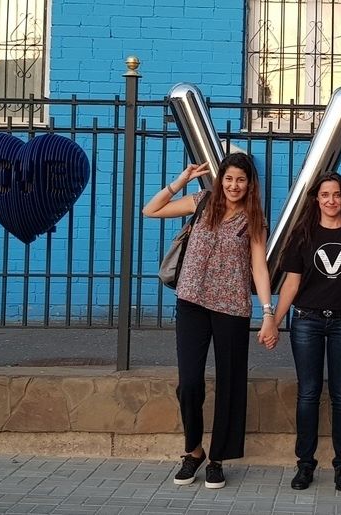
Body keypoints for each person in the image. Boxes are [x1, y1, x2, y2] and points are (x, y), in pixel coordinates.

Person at [142, 154, 278, 489]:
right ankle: (194, 450)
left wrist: (268, 313)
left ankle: (218, 459)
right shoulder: (202, 201)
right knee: (189, 382)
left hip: (232, 308)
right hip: (191, 302)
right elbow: (151, 210)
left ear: (250, 184)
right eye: (229, 178)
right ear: (220, 180)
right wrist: (181, 180)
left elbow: (259, 267)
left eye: (241, 180)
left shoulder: (254, 218)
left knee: (230, 384)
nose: (234, 185)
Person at [267, 172, 341, 492]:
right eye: (326, 194)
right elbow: (292, 283)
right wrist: (274, 319)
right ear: (316, 198)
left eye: (337, 194)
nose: (331, 200)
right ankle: (305, 464)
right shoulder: (303, 233)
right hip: (307, 321)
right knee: (308, 393)